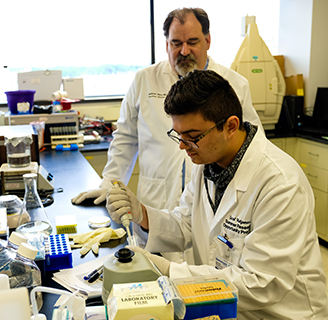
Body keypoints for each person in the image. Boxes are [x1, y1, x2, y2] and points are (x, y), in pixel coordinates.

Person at [106, 70, 328, 319]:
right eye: (177, 135)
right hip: (224, 305)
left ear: (230, 126)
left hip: (277, 313)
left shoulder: (280, 185)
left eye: (191, 136)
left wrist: (169, 271)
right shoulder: (207, 163)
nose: (182, 146)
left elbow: (262, 283)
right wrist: (142, 214)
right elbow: (186, 223)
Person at [71, 7, 262, 249]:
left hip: (211, 199)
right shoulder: (145, 79)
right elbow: (126, 139)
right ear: (166, 45)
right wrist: (110, 183)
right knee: (154, 266)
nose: (184, 51)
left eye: (192, 42)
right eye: (176, 43)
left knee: (206, 264)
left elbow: (252, 147)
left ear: (208, 40)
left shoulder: (233, 84)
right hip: (156, 199)